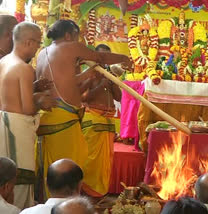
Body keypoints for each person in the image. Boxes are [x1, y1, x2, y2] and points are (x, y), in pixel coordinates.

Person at [35, 20, 131, 198]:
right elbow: (100, 57)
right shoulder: (70, 46)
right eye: (77, 36)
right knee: (67, 170)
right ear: (69, 35)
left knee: (50, 168)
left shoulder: (42, 53)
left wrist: (87, 75)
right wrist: (124, 58)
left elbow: (66, 84)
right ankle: (64, 206)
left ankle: (48, 203)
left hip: (49, 115)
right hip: (63, 116)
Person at [0, 22, 56, 209]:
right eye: (38, 43)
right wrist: (40, 101)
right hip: (17, 128)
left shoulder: (4, 61)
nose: (37, 48)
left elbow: (9, 93)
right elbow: (27, 108)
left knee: (5, 176)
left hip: (4, 123)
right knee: (21, 179)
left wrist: (34, 88)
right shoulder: (24, 69)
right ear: (28, 42)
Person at [81, 44, 122, 197]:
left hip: (107, 121)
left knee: (105, 162)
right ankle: (87, 192)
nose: (104, 61)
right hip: (93, 118)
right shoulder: (89, 73)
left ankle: (99, 195)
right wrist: (101, 86)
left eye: (107, 57)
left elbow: (119, 97)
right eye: (101, 56)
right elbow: (82, 97)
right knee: (91, 159)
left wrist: (113, 82)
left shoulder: (109, 74)